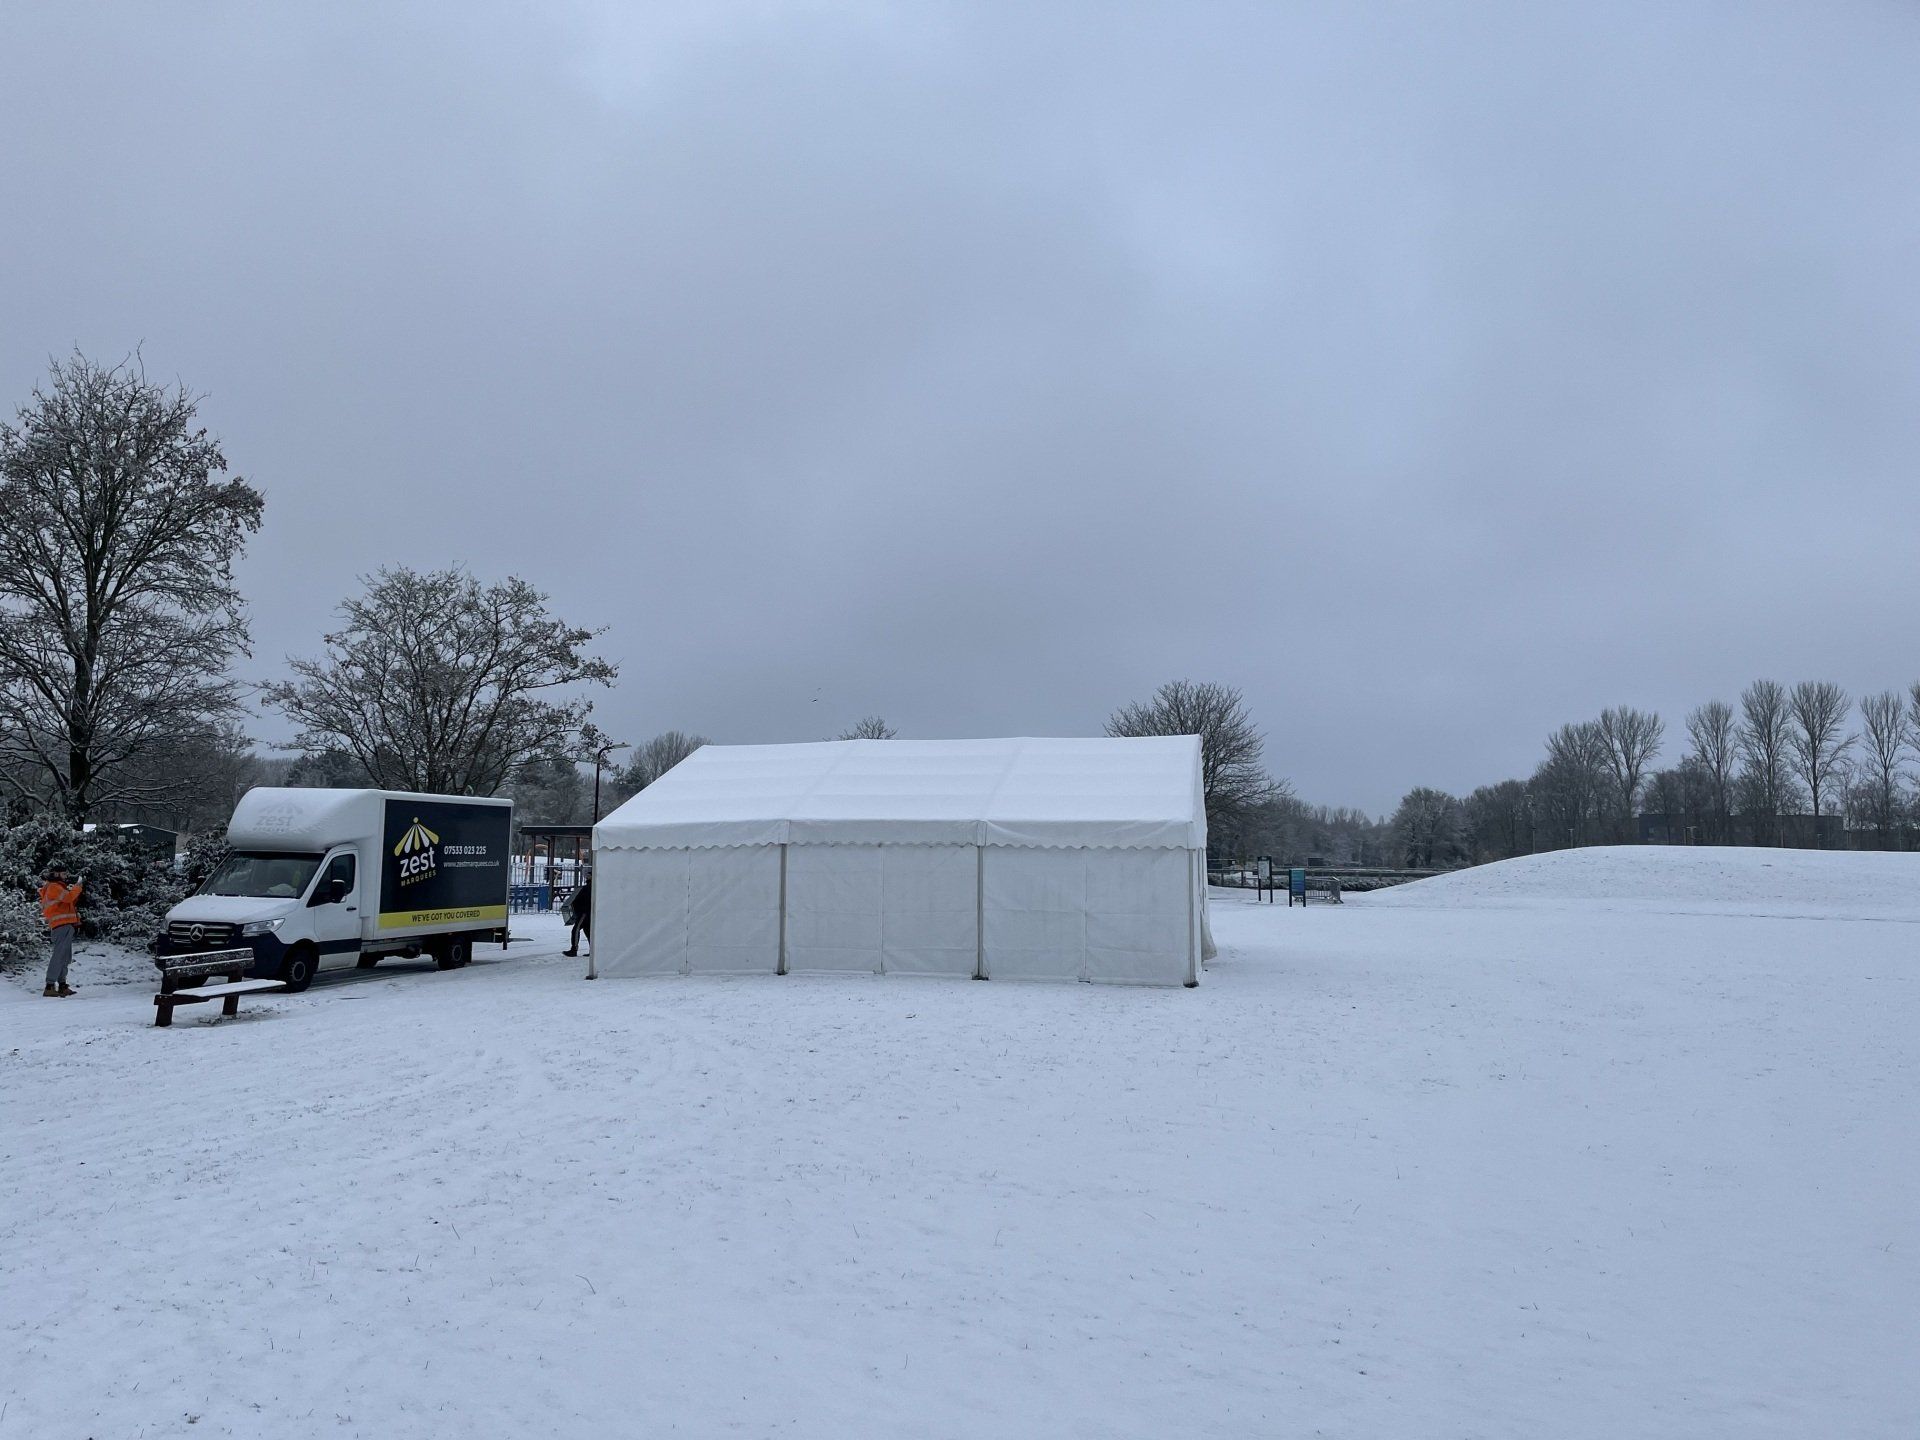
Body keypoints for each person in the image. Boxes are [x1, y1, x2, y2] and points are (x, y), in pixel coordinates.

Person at [38, 865, 84, 998]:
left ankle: (62, 985)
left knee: (65, 957)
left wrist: (74, 891)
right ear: (56, 874)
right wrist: (77, 887)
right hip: (61, 926)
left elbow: (69, 902)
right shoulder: (53, 887)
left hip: (64, 926)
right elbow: (69, 898)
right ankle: (50, 985)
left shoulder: (56, 887)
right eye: (64, 874)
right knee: (59, 956)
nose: (66, 876)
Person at [563, 878, 592, 958]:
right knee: (588, 931)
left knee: (576, 929)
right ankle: (592, 950)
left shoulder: (586, 888)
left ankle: (574, 949)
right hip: (588, 912)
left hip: (584, 912)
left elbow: (578, 900)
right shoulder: (593, 887)